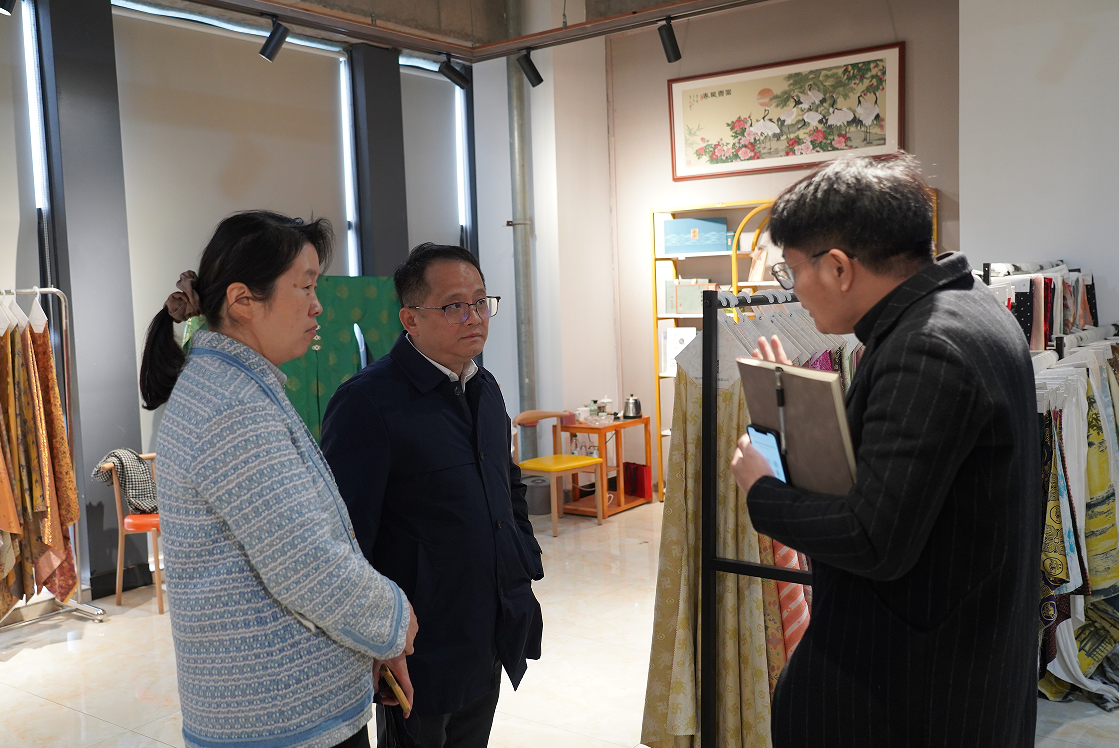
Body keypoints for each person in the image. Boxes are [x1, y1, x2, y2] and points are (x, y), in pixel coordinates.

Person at [729, 154, 1042, 747]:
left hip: (910, 691)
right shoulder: (970, 309)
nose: (794, 291)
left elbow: (873, 539)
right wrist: (796, 413)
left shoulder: (927, 347)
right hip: (961, 662)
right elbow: (909, 485)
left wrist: (762, 490)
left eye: (791, 270)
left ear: (839, 267)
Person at [141, 211, 418, 748]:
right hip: (280, 721)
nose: (318, 305)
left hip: (276, 710)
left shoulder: (231, 383)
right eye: (305, 287)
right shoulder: (231, 407)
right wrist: (393, 620)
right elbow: (307, 563)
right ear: (243, 301)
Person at [321, 243, 544, 748]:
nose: (474, 317)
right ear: (411, 319)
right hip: (419, 641)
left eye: (481, 302)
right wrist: (377, 632)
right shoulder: (367, 402)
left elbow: (507, 483)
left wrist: (523, 557)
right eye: (454, 306)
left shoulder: (484, 387)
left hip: (489, 624)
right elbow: (346, 535)